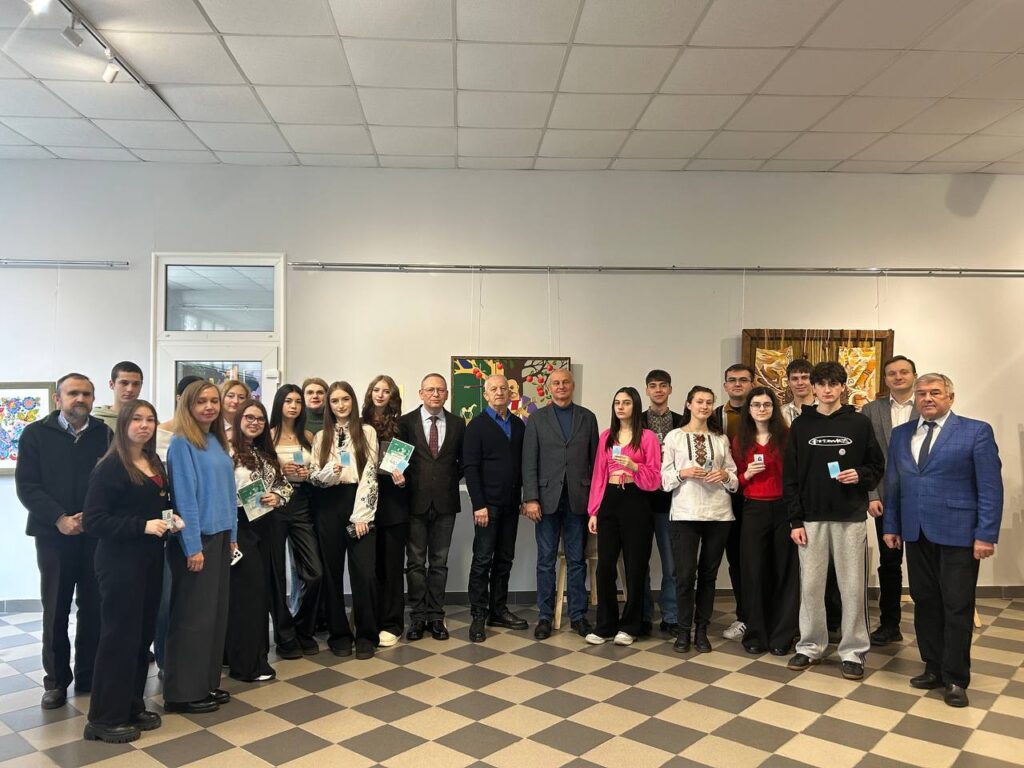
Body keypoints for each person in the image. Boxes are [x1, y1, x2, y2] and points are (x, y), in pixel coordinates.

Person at [883, 373, 1003, 708]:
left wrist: (985, 534)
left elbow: (990, 488)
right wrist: (891, 526)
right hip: (915, 532)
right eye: (922, 393)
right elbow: (893, 484)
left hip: (959, 534)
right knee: (925, 602)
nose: (927, 398)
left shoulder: (975, 431)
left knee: (957, 605)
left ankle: (955, 678)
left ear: (950, 397)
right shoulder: (902, 434)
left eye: (935, 392)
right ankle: (933, 667)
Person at [81, 400, 182, 743]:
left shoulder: (152, 461)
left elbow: (156, 504)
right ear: (123, 423)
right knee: (118, 638)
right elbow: (94, 520)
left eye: (150, 419)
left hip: (150, 559)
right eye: (137, 419)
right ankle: (103, 718)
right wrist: (142, 526)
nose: (144, 425)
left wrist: (170, 519)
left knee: (140, 637)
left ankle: (131, 705)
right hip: (119, 563)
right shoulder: (110, 467)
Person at [16, 373, 111, 709]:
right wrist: (60, 518)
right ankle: (56, 681)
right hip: (53, 535)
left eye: (86, 394)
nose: (79, 399)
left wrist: (92, 517)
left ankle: (87, 674)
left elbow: (111, 481)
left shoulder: (105, 434)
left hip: (95, 534)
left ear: (93, 399)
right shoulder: (35, 434)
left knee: (93, 606)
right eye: (72, 393)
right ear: (58, 399)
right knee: (56, 608)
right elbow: (27, 486)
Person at [784, 361, 884, 681]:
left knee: (852, 587)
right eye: (822, 384)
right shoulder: (801, 425)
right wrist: (795, 520)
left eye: (833, 384)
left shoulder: (859, 423)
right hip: (811, 519)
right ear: (813, 388)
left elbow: (876, 465)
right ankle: (810, 645)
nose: (827, 390)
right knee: (811, 586)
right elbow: (791, 477)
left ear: (843, 387)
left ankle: (853, 651)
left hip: (849, 517)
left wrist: (861, 475)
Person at [164, 380, 237, 714]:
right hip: (199, 540)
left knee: (214, 616)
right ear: (188, 406)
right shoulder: (182, 443)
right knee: (192, 617)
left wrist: (232, 535)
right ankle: (182, 693)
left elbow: (228, 493)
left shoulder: (216, 441)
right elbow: (185, 499)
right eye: (201, 402)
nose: (209, 407)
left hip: (220, 537)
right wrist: (192, 546)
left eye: (213, 401)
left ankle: (206, 683)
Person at [521, 367, 599, 640]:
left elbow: (596, 463)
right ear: (549, 388)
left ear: (573, 386)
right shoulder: (537, 419)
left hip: (579, 499)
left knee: (577, 560)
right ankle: (545, 616)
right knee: (545, 561)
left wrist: (595, 502)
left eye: (565, 382)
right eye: (556, 383)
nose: (561, 386)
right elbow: (529, 461)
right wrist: (531, 498)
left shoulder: (587, 418)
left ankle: (578, 616)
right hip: (545, 501)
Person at [662, 386, 738, 653]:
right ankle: (683, 631)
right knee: (684, 575)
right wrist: (682, 473)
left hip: (719, 514)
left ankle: (702, 630)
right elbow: (664, 480)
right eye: (699, 401)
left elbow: (734, 476)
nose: (704, 406)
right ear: (688, 404)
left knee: (708, 576)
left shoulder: (720, 439)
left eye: (709, 402)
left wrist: (725, 476)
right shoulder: (674, 437)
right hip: (685, 513)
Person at [585, 387, 662, 646]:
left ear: (635, 406)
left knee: (635, 566)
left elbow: (655, 477)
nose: (620, 407)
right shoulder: (607, 436)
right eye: (617, 402)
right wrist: (594, 511)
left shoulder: (647, 437)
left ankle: (630, 626)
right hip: (610, 501)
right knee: (605, 566)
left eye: (626, 403)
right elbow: (599, 475)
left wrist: (634, 466)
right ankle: (605, 625)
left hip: (636, 500)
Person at [309, 381, 379, 660]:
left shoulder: (366, 431)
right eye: (335, 400)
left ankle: (366, 634)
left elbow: (370, 474)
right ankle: (339, 634)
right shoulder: (320, 437)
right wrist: (329, 473)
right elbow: (314, 477)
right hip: (328, 505)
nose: (340, 405)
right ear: (329, 405)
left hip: (358, 501)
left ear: (353, 401)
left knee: (365, 573)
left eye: (345, 399)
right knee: (332, 572)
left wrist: (362, 515)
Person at [226, 400, 292, 682]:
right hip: (238, 526)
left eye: (260, 419)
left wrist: (276, 497)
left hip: (265, 525)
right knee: (246, 596)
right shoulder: (227, 451)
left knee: (259, 594)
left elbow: (284, 485)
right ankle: (245, 665)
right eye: (249, 418)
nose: (255, 423)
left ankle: (253, 656)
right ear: (239, 419)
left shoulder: (265, 452)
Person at [399, 373, 465, 641]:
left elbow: (464, 461)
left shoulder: (458, 423)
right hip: (414, 502)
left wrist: (446, 480)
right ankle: (417, 617)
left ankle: (436, 616)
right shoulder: (405, 423)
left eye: (440, 390)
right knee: (415, 563)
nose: (435, 394)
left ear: (447, 394)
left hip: (446, 503)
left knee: (439, 562)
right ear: (421, 393)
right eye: (430, 390)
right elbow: (398, 460)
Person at [463, 374, 528, 643]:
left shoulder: (519, 425)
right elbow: (470, 468)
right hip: (486, 506)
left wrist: (526, 497)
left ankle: (498, 610)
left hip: (511, 504)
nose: (499, 392)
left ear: (510, 394)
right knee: (482, 560)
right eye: (494, 389)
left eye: (503, 388)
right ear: (486, 395)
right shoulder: (476, 426)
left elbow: (524, 465)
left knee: (505, 559)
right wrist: (478, 504)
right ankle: (479, 614)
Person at [732, 387, 796, 655]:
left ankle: (782, 635)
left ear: (774, 408)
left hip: (783, 508)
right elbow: (735, 480)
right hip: (753, 509)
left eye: (766, 404)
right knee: (754, 572)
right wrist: (747, 473)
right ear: (748, 409)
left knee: (784, 572)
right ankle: (756, 634)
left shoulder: (787, 436)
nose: (761, 409)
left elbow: (795, 475)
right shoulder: (740, 440)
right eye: (756, 405)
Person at [861, 355, 917, 646]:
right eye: (892, 373)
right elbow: (865, 456)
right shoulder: (871, 409)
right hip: (886, 497)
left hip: (921, 498)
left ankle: (930, 622)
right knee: (890, 562)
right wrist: (871, 494)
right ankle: (889, 624)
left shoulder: (927, 406)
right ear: (885, 379)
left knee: (924, 562)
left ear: (914, 375)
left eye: (904, 372)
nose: (898, 377)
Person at [152, 374, 202, 675]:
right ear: (180, 398)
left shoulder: (207, 437)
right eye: (195, 399)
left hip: (198, 523)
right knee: (166, 595)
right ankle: (165, 659)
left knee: (193, 595)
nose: (202, 406)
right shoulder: (157, 434)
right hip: (167, 522)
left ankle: (190, 658)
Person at [268, 384, 323, 659]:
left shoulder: (308, 436)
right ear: (279, 404)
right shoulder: (268, 435)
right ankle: (285, 636)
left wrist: (307, 472)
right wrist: (281, 469)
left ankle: (303, 629)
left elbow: (317, 470)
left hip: (302, 502)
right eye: (288, 401)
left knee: (314, 572)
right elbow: (257, 470)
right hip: (275, 505)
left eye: (298, 402)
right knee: (277, 574)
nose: (293, 406)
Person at [362, 375, 410, 648]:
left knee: (391, 568)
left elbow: (411, 466)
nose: (380, 395)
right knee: (368, 568)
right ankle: (369, 619)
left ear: (393, 396)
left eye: (386, 391)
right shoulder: (358, 425)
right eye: (376, 390)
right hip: (363, 507)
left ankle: (392, 624)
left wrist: (403, 479)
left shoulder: (402, 427)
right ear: (370, 393)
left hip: (393, 507)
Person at [641, 369, 685, 637]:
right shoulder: (636, 421)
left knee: (672, 565)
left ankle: (671, 616)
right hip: (640, 502)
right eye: (653, 385)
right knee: (639, 563)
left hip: (671, 501)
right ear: (646, 390)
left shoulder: (682, 422)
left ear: (670, 389)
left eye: (663, 385)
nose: (658, 390)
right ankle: (643, 615)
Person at [715, 363, 754, 642]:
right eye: (732, 380)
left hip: (758, 495)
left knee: (759, 558)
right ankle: (744, 616)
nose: (737, 384)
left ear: (752, 383)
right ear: (725, 385)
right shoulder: (715, 415)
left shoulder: (763, 411)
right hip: (726, 496)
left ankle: (764, 615)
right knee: (736, 560)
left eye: (743, 380)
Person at [92, 361, 144, 429]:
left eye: (136, 384)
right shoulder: (95, 421)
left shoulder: (148, 420)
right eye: (124, 383)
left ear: (141, 386)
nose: (130, 389)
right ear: (111, 384)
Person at [780, 359, 815, 426]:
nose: (800, 383)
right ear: (788, 382)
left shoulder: (826, 410)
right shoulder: (780, 414)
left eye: (804, 377)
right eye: (795, 379)